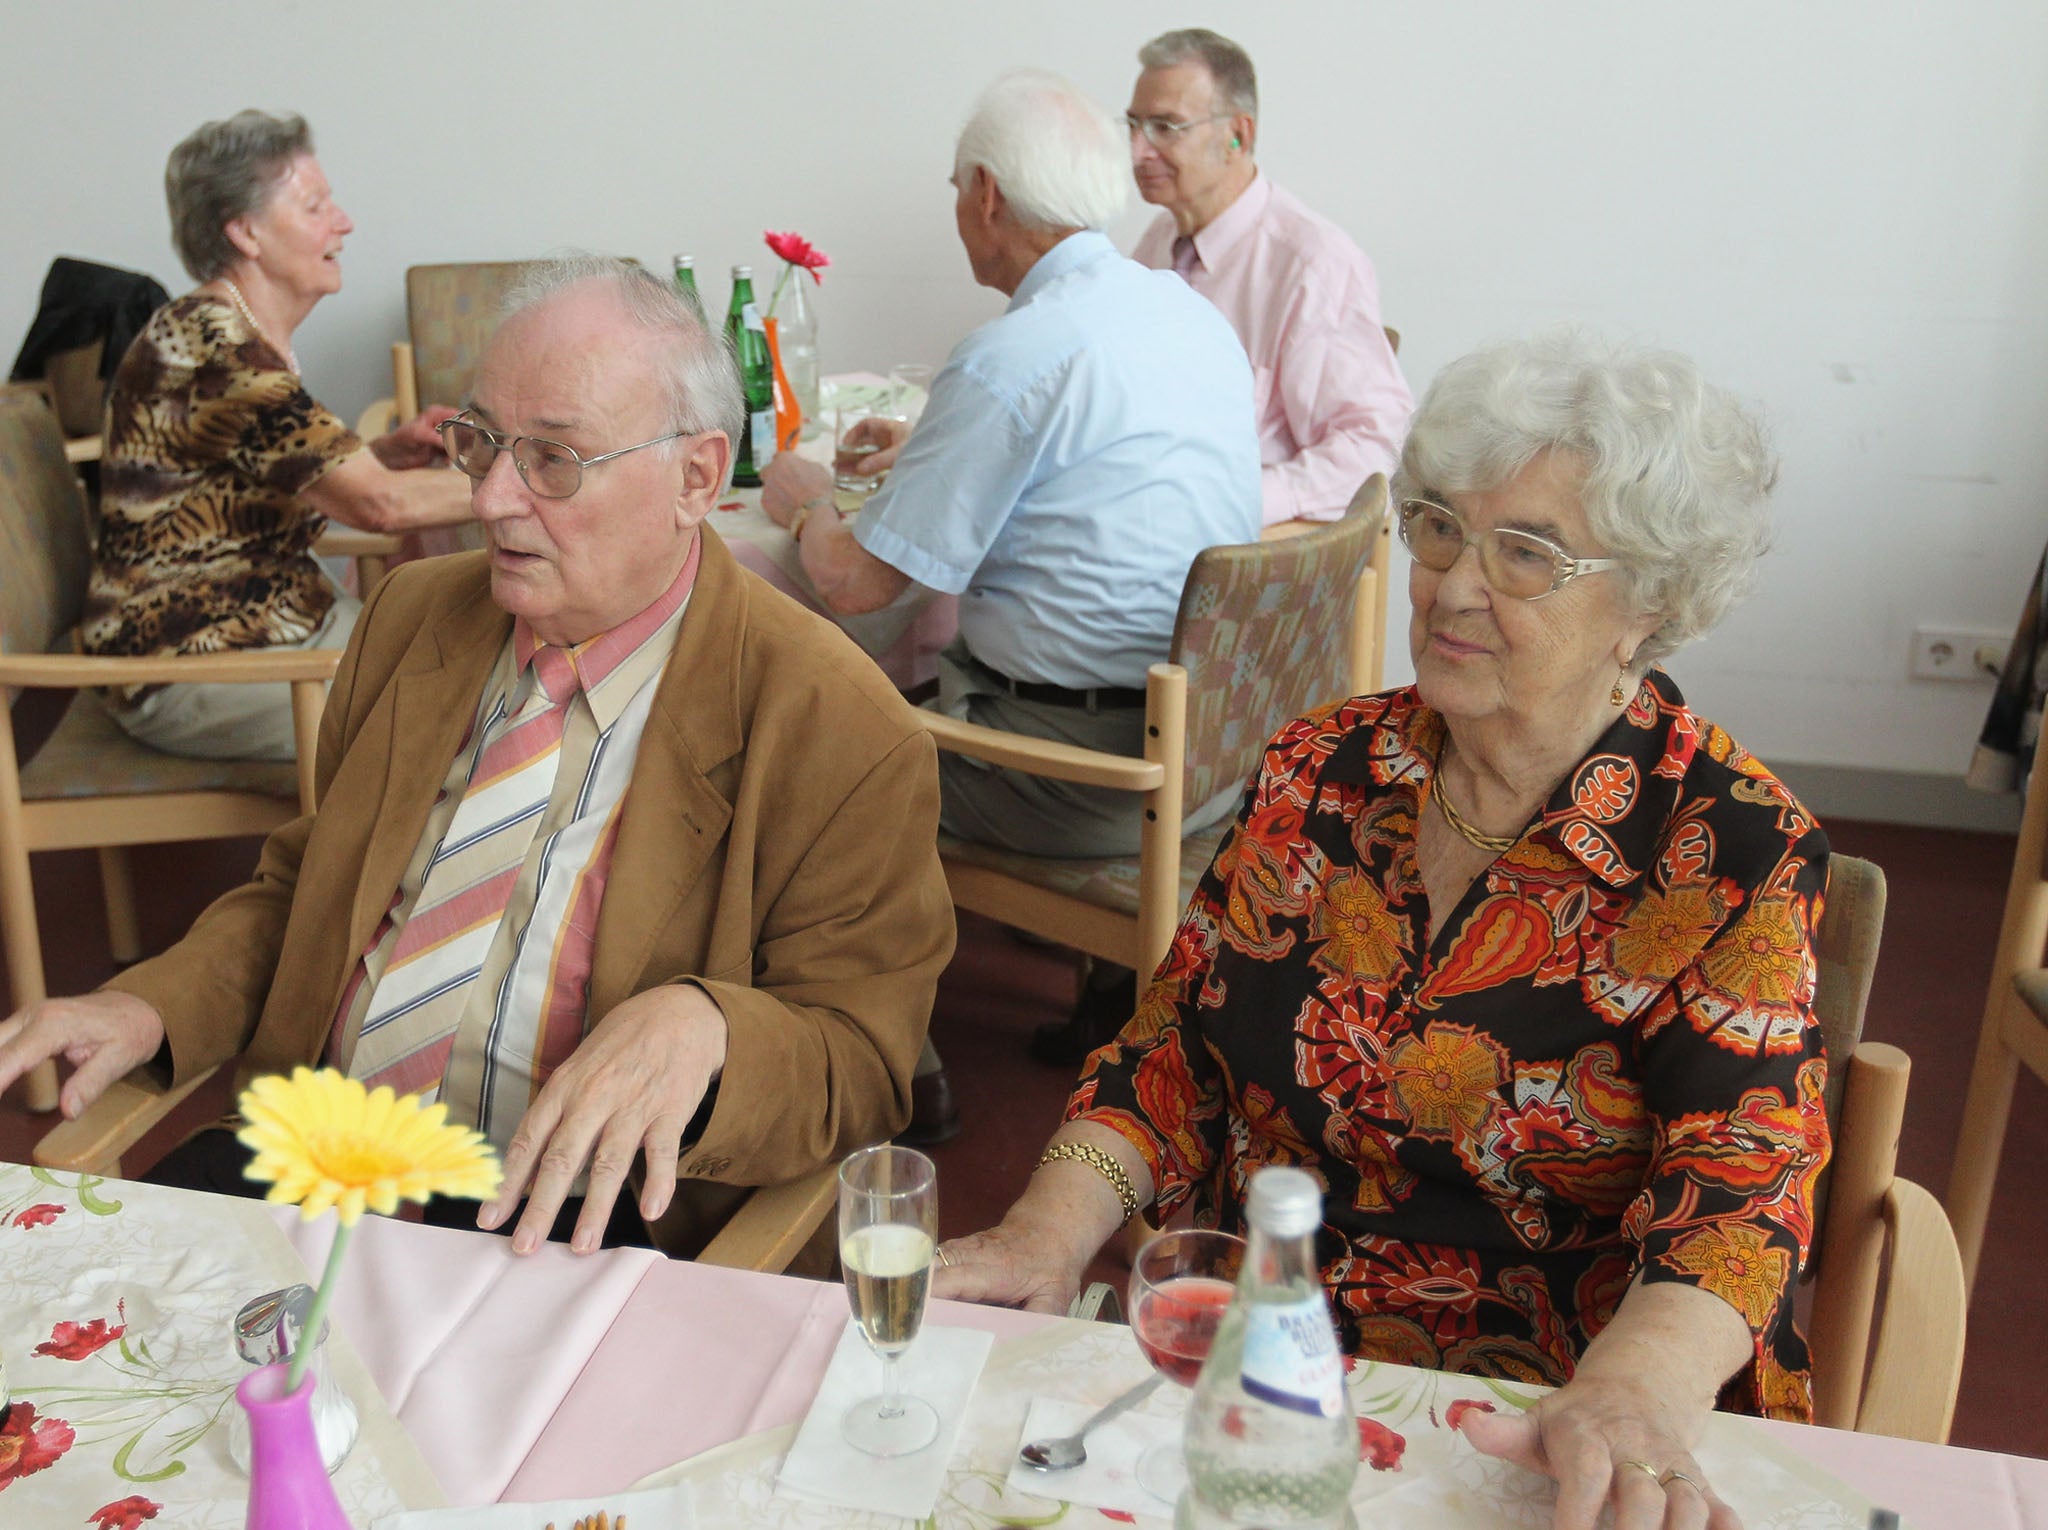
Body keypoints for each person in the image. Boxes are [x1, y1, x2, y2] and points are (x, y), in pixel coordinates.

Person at [936, 332, 1826, 1530]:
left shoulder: (1730, 848)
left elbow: (1738, 1192)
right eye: (1439, 527)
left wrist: (1628, 1394)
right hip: (1255, 1370)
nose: (1454, 584)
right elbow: (1174, 1053)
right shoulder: (1324, 768)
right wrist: (1044, 1232)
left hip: (1540, 1423)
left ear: (1648, 603)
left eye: (1524, 553)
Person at [0, 256, 955, 1266]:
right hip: (317, 1169)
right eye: (481, 442)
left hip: (558, 1225)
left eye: (553, 459)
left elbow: (861, 1058)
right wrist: (151, 1001)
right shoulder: (416, 619)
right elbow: (305, 890)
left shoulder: (832, 724)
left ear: (696, 478)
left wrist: (709, 1024)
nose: (492, 498)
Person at [759, 68, 1261, 1123]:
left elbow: (849, 584)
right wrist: (934, 449)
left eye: (952, 190)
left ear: (985, 193)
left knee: (802, 759)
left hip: (1077, 780)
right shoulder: (1183, 315)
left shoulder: (1014, 354)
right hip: (1213, 758)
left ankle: (894, 1058)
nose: (954, 212)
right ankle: (1097, 1005)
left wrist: (804, 500)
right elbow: (1097, 485)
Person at [83, 110, 475, 762]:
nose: (342, 223)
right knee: (453, 729)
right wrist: (545, 482)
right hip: (192, 658)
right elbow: (379, 507)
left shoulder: (235, 332)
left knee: (479, 674)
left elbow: (243, 485)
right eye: (316, 206)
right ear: (246, 232)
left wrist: (376, 456)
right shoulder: (214, 345)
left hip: (277, 624)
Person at [1127, 28, 1412, 527]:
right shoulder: (1156, 241)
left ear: (1239, 135)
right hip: (1140, 525)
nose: (1137, 151)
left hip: (1241, 559)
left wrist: (1242, 502)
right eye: (1134, 126)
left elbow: (1377, 445)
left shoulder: (1313, 263)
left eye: (1166, 128)